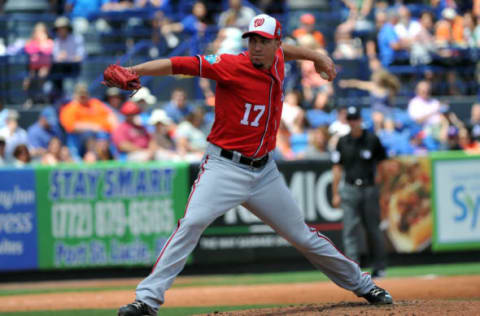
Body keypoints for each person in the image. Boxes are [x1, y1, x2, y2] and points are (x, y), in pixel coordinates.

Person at [106, 13, 392, 316]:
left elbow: (290, 51)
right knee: (190, 224)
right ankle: (146, 300)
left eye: (263, 42)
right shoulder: (231, 65)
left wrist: (317, 56)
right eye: (252, 40)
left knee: (303, 236)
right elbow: (180, 64)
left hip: (264, 172)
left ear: (275, 45)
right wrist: (133, 70)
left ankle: (364, 285)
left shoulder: (279, 58)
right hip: (224, 168)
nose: (256, 47)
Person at [331, 106, 388, 279]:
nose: (353, 122)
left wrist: (383, 188)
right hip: (349, 189)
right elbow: (336, 168)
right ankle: (353, 270)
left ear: (361, 120)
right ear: (347, 121)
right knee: (350, 229)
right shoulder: (342, 141)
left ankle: (379, 267)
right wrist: (335, 193)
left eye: (356, 119)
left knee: (373, 229)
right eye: (350, 119)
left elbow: (383, 165)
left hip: (369, 188)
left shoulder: (372, 139)